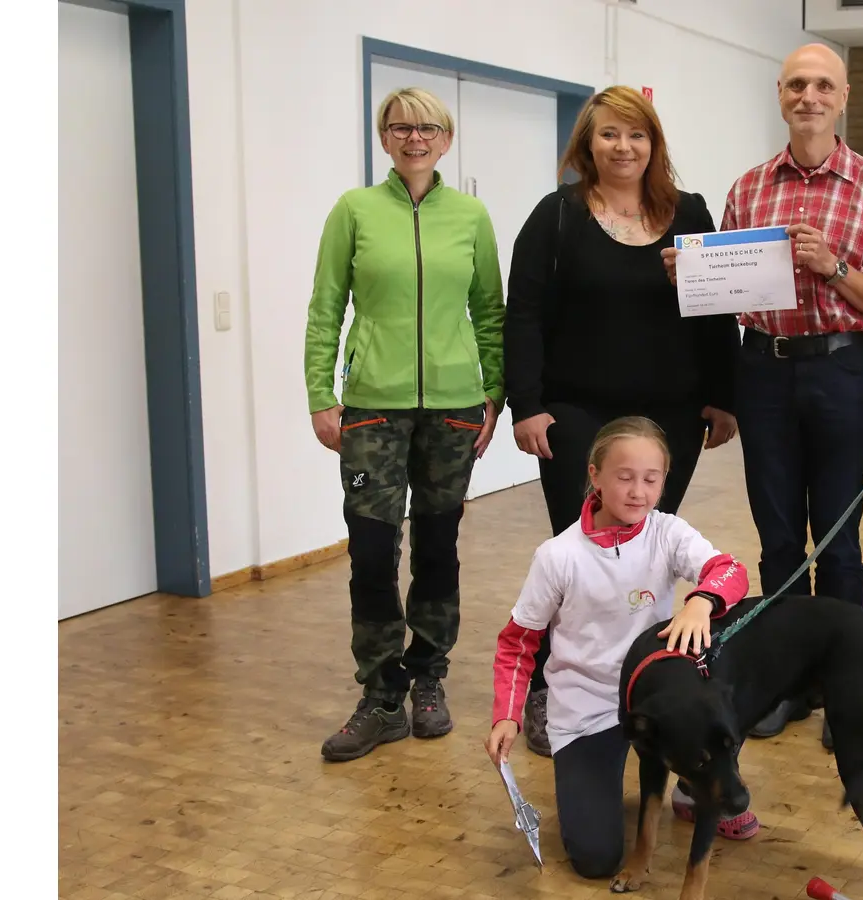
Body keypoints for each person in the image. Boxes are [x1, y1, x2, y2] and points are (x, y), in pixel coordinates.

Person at [665, 43, 863, 747]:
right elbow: (726, 290)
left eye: (823, 85)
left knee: (837, 541)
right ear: (781, 95)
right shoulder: (747, 189)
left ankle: (846, 690)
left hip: (839, 368)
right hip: (764, 371)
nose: (809, 95)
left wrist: (832, 267)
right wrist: (688, 273)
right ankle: (784, 685)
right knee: (778, 541)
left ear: (843, 97)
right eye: (797, 84)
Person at [504, 85, 740, 756]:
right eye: (609, 134)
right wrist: (527, 404)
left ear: (653, 144)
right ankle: (552, 688)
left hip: (668, 414)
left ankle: (636, 678)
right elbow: (521, 313)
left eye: (636, 136)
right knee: (577, 557)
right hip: (577, 411)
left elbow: (720, 311)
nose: (623, 147)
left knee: (646, 555)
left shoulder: (689, 212)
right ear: (588, 144)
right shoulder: (556, 216)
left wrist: (726, 397)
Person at [304, 87, 505, 762]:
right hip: (372, 407)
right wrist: (320, 395)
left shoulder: (470, 216)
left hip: (453, 405)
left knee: (438, 547)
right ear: (384, 138)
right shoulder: (353, 211)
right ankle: (382, 692)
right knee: (371, 551)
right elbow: (326, 308)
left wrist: (493, 395)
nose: (413, 138)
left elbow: (491, 312)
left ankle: (429, 676)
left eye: (427, 128)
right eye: (400, 127)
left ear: (446, 139)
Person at [484, 417, 758, 881]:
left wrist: (701, 601)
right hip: (586, 709)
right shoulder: (557, 556)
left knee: (731, 629)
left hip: (660, 704)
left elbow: (729, 570)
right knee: (596, 860)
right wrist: (507, 713)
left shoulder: (668, 532)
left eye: (651, 480)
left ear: (664, 481)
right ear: (595, 475)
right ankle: (604, 779)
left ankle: (694, 784)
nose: (637, 492)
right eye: (624, 477)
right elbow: (518, 643)